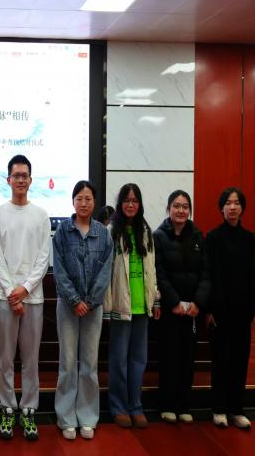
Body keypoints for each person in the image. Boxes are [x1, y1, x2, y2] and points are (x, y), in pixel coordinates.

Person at [0, 155, 50, 441]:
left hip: (33, 298)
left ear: (31, 179)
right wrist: (12, 293)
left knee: (30, 359)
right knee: (4, 359)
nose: (21, 180)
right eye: (16, 175)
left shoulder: (41, 215)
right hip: (5, 298)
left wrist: (24, 289)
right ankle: (7, 408)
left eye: (25, 175)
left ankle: (28, 410)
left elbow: (43, 258)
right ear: (8, 180)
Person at [53, 180, 113, 441]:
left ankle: (87, 417)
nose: (84, 203)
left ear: (94, 202)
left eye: (88, 198)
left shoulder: (103, 233)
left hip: (93, 307)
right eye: (79, 198)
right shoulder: (62, 231)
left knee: (89, 363)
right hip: (68, 306)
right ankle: (66, 418)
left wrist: (89, 300)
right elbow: (59, 269)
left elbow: (106, 270)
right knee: (67, 363)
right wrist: (75, 299)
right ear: (73, 202)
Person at [103, 183, 160, 429]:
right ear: (120, 203)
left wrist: (155, 299)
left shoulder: (145, 232)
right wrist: (107, 305)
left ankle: (136, 406)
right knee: (119, 360)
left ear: (140, 204)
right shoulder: (110, 231)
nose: (130, 204)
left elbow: (152, 269)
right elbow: (105, 272)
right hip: (120, 305)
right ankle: (118, 407)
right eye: (126, 200)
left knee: (139, 360)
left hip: (141, 306)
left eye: (135, 200)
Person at [153, 190, 210, 424]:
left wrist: (198, 302)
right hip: (170, 309)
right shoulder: (159, 236)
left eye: (185, 206)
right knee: (170, 357)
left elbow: (205, 273)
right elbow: (159, 274)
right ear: (168, 209)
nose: (181, 210)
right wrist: (174, 302)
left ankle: (183, 405)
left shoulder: (197, 236)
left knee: (188, 358)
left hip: (193, 310)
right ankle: (167, 405)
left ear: (190, 210)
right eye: (176, 206)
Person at [206, 187, 255, 430]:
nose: (233, 207)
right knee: (221, 360)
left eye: (236, 203)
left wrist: (252, 309)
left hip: (242, 311)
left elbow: (252, 276)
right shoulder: (213, 237)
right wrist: (210, 309)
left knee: (240, 360)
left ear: (242, 207)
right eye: (228, 203)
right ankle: (218, 409)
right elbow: (211, 275)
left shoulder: (250, 238)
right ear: (221, 208)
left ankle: (237, 409)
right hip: (220, 310)